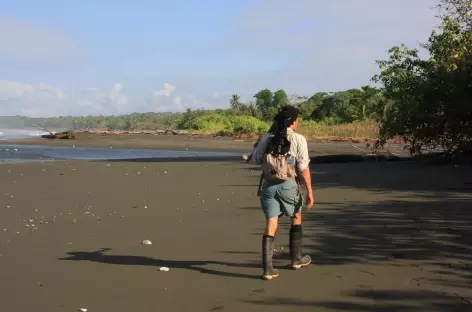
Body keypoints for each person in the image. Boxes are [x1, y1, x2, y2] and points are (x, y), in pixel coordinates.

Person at [249, 105, 314, 280]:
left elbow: (255, 159)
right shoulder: (299, 139)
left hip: (268, 186)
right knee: (296, 217)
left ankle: (268, 270)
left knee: (271, 224)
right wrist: (310, 192)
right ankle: (296, 259)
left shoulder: (267, 137)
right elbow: (303, 168)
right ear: (293, 121)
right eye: (297, 119)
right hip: (288, 185)